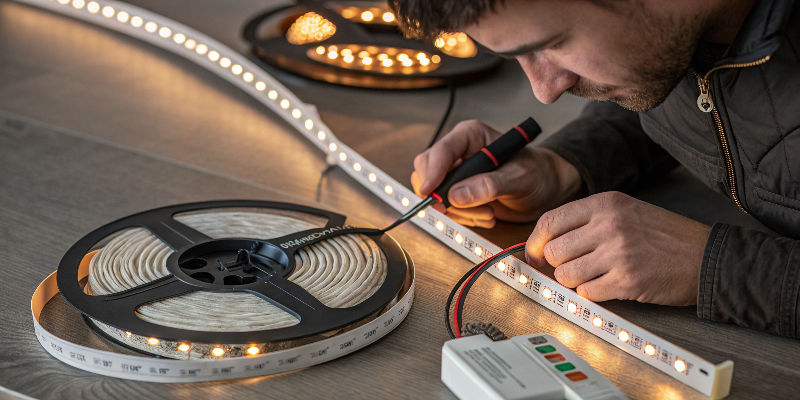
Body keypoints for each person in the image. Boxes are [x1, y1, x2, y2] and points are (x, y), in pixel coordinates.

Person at [393, 0, 800, 338]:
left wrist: (711, 266)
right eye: (515, 55)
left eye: (552, 43)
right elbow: (681, 90)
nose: (544, 90)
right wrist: (566, 165)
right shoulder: (675, 33)